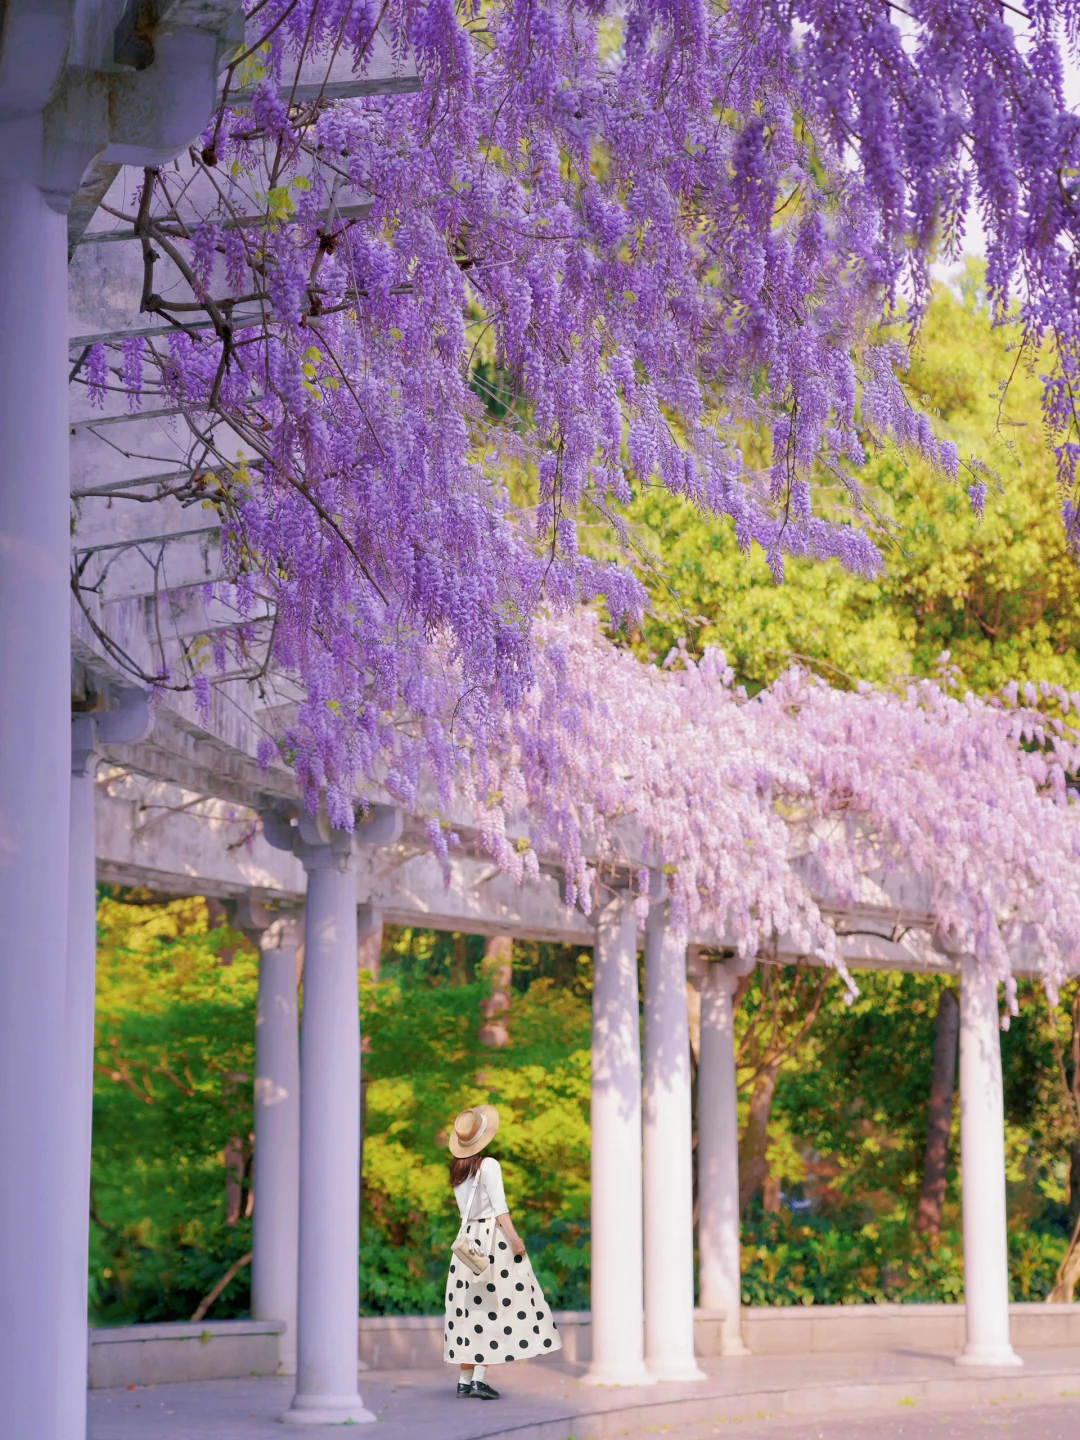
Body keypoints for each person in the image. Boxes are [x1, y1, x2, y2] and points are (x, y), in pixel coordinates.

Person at [443, 1104, 562, 1398]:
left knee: (470, 1310)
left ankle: (465, 1379)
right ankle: (479, 1379)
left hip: (466, 1245)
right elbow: (499, 1208)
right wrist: (515, 1239)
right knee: (496, 1307)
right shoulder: (489, 1165)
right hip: (491, 1242)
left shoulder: (457, 1169)